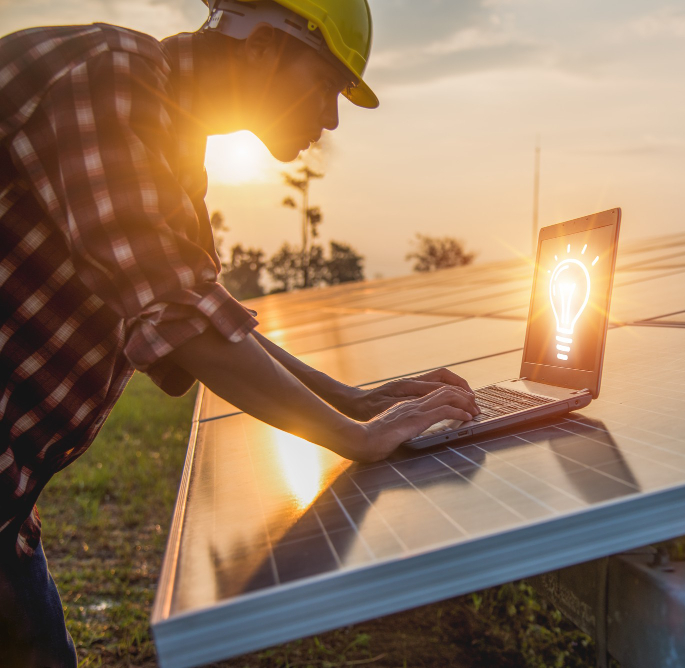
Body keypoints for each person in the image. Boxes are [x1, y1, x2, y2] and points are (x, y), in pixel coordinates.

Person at [0, 1, 480, 664]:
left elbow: (199, 316)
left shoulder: (171, 155)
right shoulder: (105, 75)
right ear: (260, 49)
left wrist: (354, 399)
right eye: (326, 84)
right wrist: (354, 437)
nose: (332, 117)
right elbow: (176, 314)